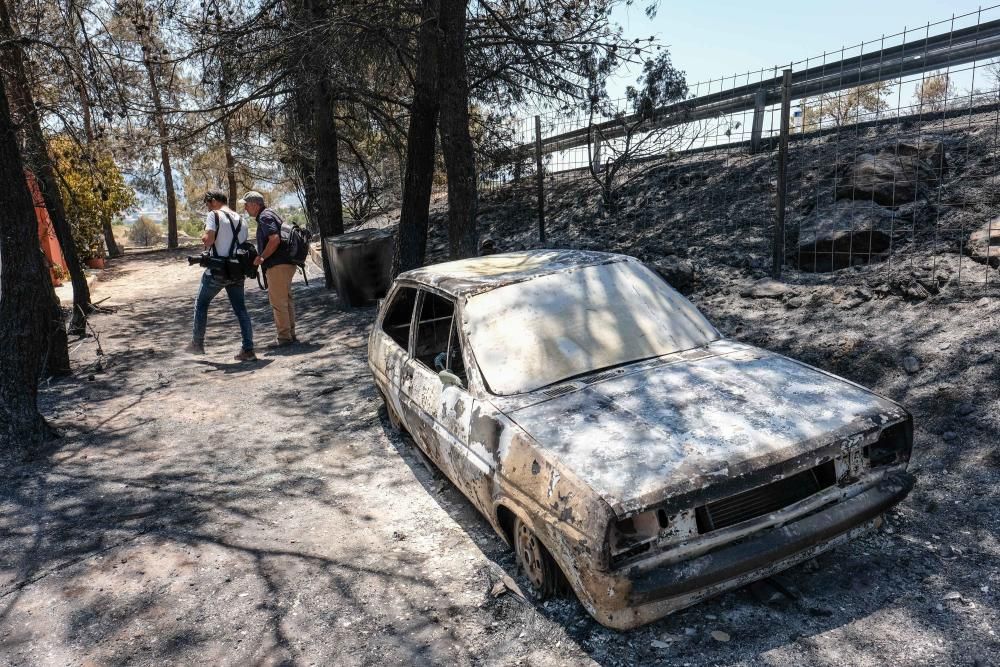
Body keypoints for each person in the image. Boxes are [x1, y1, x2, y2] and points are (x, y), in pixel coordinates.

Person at [185, 190, 256, 361]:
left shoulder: (214, 215)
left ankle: (197, 344)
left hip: (217, 270)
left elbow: (209, 240)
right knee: (241, 310)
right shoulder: (241, 218)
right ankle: (248, 349)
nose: (207, 207)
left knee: (201, 304)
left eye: (208, 203)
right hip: (237, 270)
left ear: (214, 201)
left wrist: (203, 238)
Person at [241, 190, 298, 346]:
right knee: (286, 300)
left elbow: (274, 239)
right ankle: (290, 334)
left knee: (278, 302)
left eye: (246, 205)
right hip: (287, 263)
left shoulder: (265, 217)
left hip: (278, 265)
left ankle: (284, 338)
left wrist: (262, 257)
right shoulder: (271, 213)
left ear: (254, 204)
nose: (245, 208)